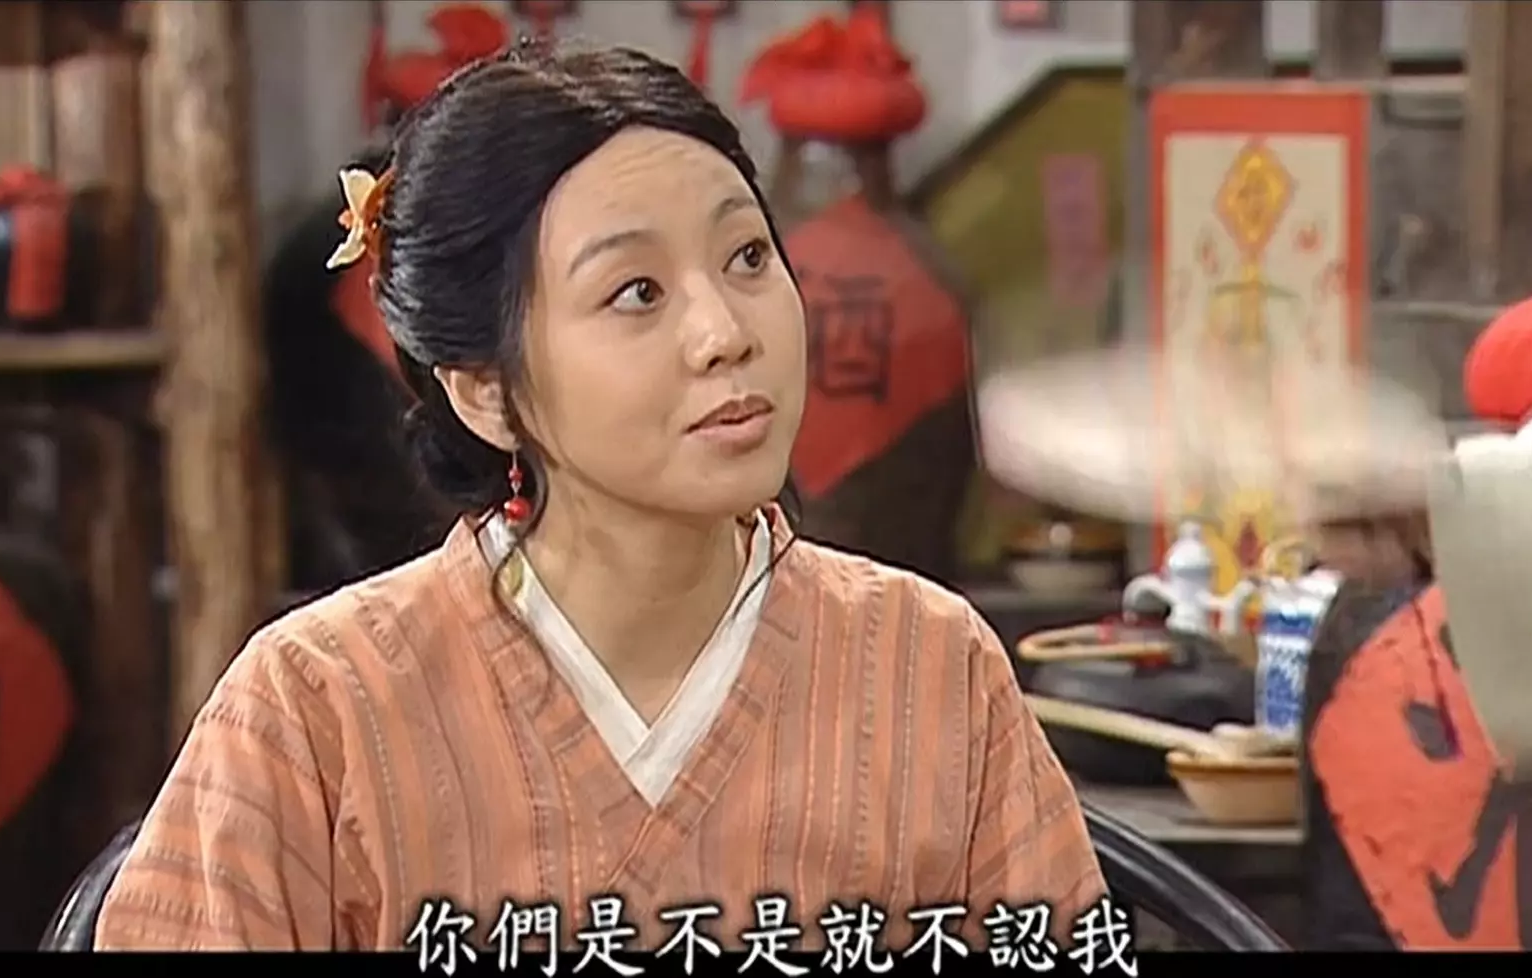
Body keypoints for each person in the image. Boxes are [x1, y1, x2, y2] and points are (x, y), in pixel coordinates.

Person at [96, 42, 1105, 952]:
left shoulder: (932, 665)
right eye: (637, 293)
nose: (727, 333)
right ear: (485, 391)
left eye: (748, 258)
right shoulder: (315, 705)